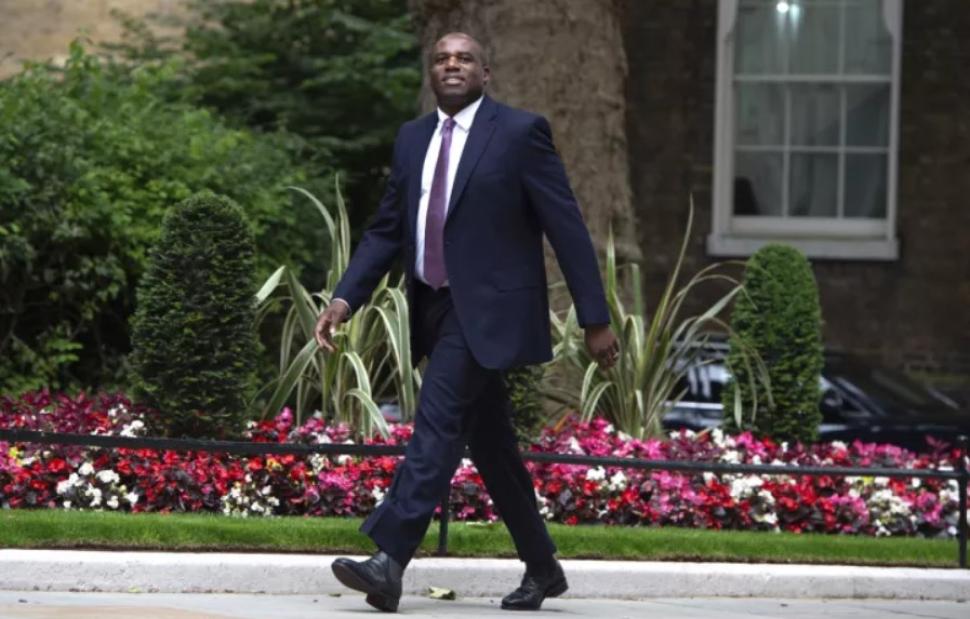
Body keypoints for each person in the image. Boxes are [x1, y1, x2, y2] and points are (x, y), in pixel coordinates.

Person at [314, 31, 619, 613]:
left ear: (485, 72)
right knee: (493, 447)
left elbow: (566, 225)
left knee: (436, 422)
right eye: (442, 59)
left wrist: (594, 318)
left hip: (490, 311)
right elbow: (386, 230)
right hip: (433, 307)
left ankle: (388, 560)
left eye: (464, 59)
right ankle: (543, 567)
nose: (452, 65)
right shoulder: (413, 138)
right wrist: (344, 299)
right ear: (431, 73)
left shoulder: (520, 133)